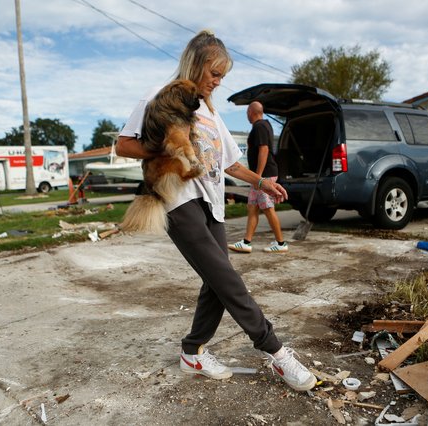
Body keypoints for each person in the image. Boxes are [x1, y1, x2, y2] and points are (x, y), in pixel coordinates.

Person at [115, 30, 316, 392]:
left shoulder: (208, 110)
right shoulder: (158, 97)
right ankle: (276, 351)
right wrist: (166, 151)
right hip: (179, 198)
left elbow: (231, 164)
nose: (218, 82)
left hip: (213, 202)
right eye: (215, 73)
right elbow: (124, 145)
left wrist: (261, 182)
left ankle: (192, 351)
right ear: (196, 64)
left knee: (215, 281)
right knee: (228, 279)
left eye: (222, 75)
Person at [228, 101, 287, 254]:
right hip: (261, 175)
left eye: (247, 112)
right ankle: (246, 242)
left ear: (251, 112)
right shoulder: (264, 125)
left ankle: (281, 243)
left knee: (267, 208)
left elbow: (264, 149)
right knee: (252, 207)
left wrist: (259, 178)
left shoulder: (260, 126)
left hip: (264, 175)